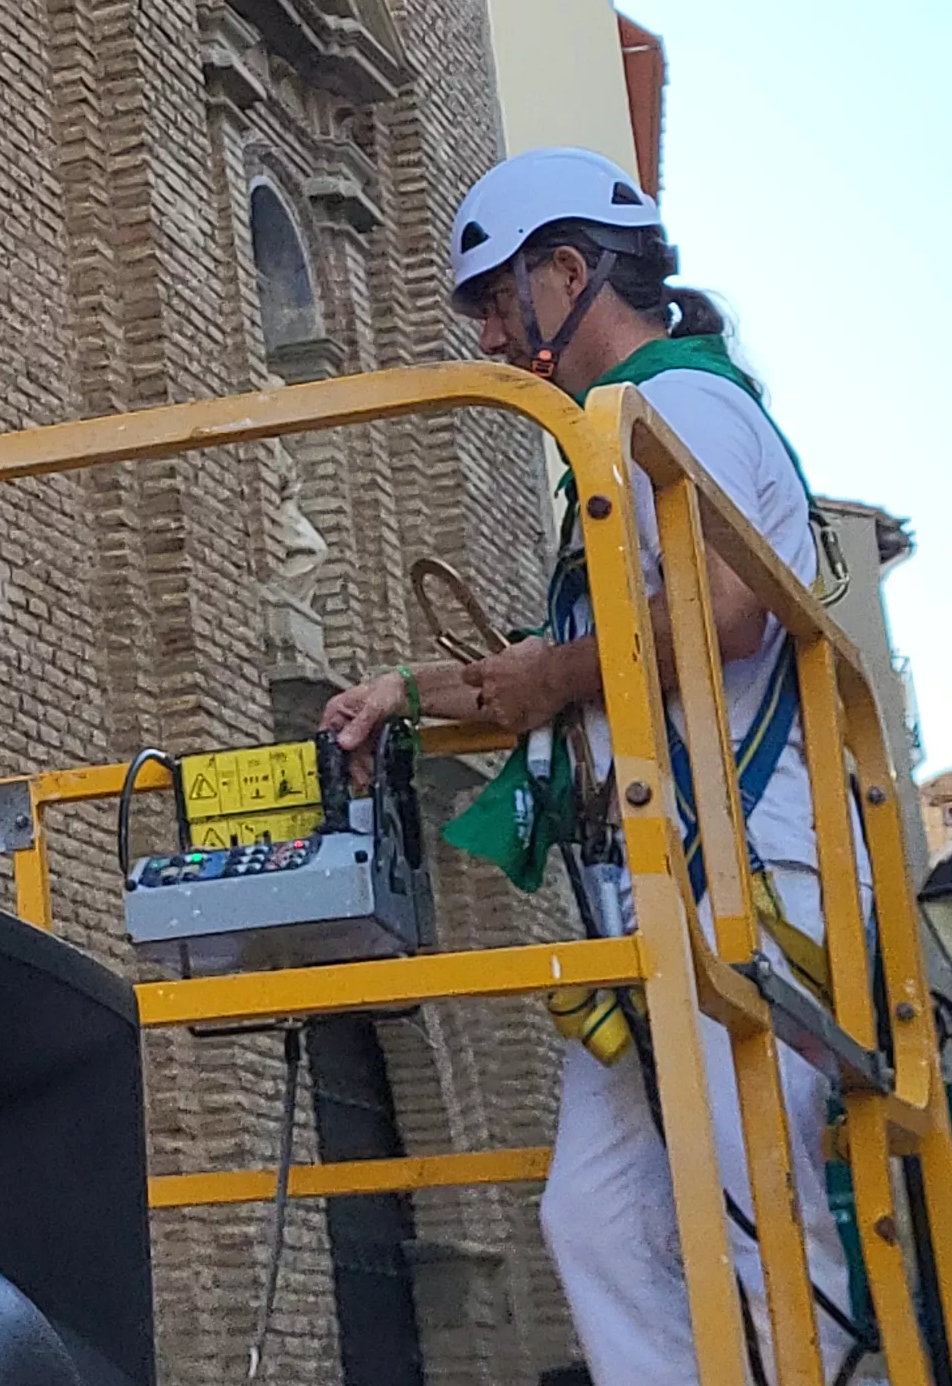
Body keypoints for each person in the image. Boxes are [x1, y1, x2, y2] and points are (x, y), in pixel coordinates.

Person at [316, 146, 870, 1386]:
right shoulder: (619, 443)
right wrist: (409, 694)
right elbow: (580, 665)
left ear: (571, 270)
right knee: (597, 1216)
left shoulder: (681, 407)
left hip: (741, 881)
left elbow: (726, 614)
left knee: (751, 1209)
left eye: (507, 305)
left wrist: (552, 676)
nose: (507, 342)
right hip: (665, 887)